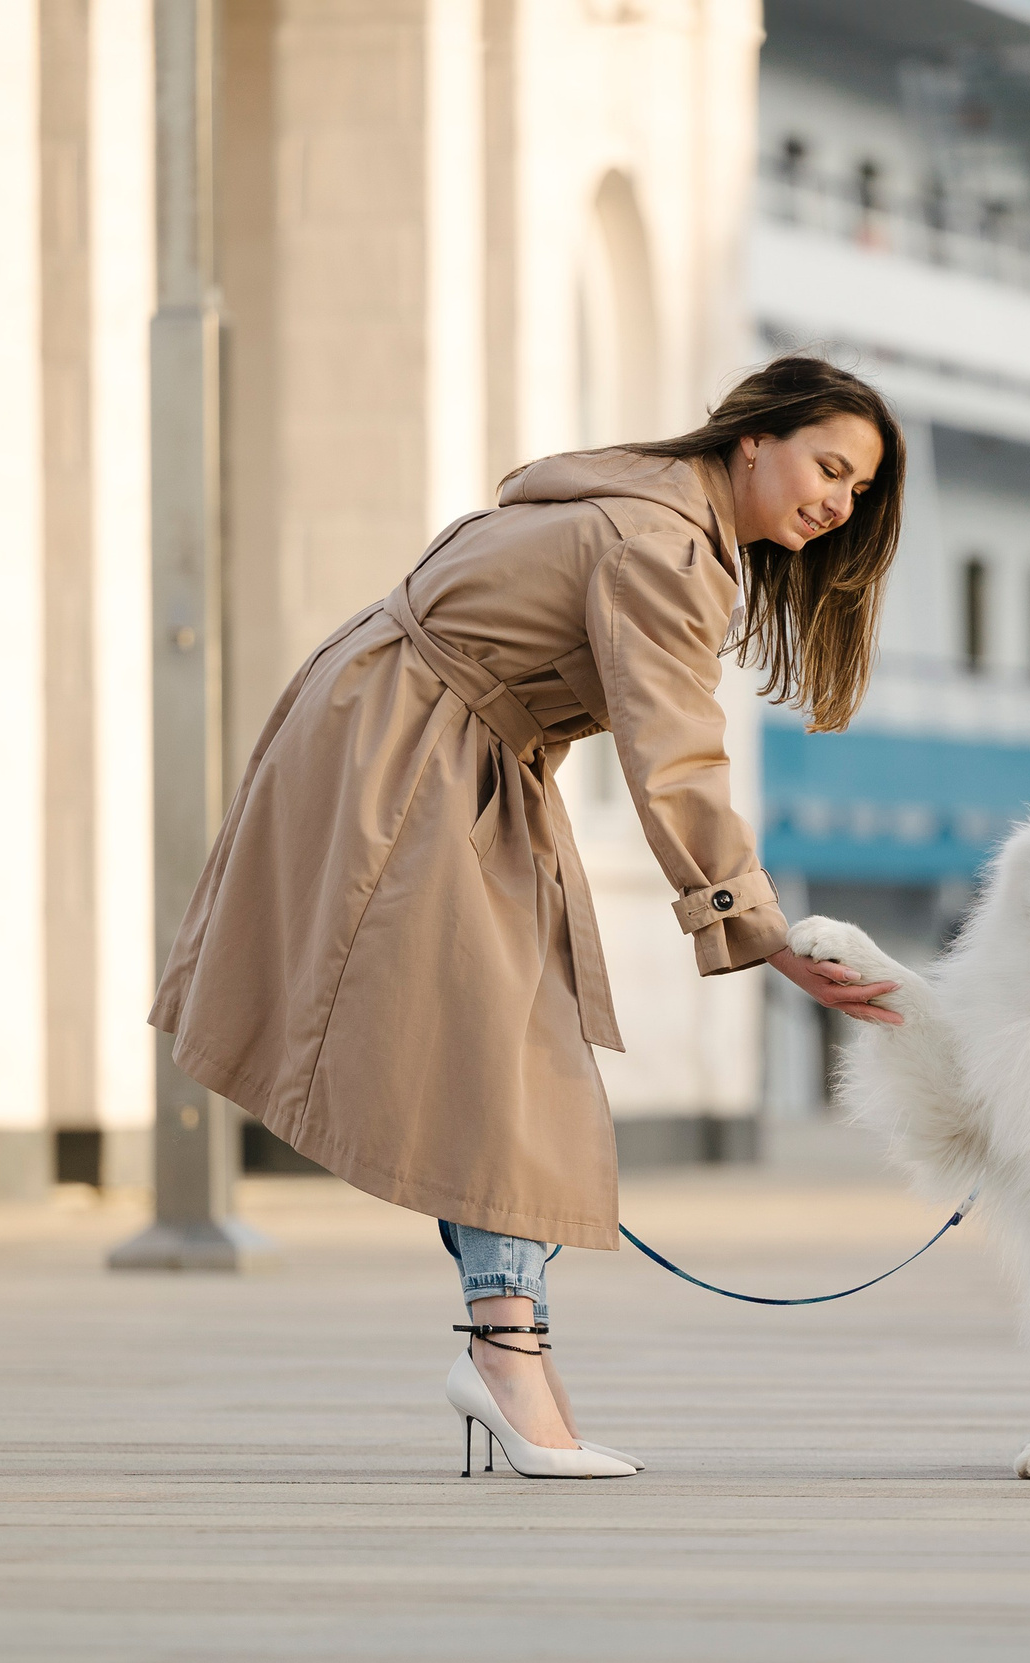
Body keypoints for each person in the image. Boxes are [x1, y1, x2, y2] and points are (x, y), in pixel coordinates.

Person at [150, 355, 910, 1476]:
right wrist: (761, 931)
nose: (838, 504)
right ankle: (506, 1350)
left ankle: (509, 1347)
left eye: (857, 493)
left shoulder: (633, 504)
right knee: (506, 1059)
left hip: (422, 734)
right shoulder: (661, 548)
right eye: (828, 467)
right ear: (754, 437)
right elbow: (677, 758)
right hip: (414, 750)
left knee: (511, 1051)